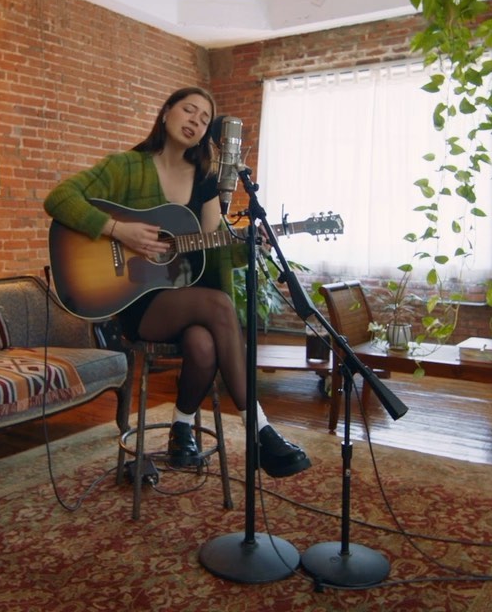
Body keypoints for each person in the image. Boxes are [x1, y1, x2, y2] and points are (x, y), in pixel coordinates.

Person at [44, 86, 310, 478]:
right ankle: (259, 429)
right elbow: (59, 198)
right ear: (167, 111)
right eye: (189, 110)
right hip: (133, 300)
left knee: (203, 344)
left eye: (204, 120)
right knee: (219, 305)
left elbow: (214, 246)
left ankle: (182, 429)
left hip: (181, 297)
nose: (196, 122)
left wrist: (253, 246)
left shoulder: (205, 181)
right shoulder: (125, 167)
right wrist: (118, 229)